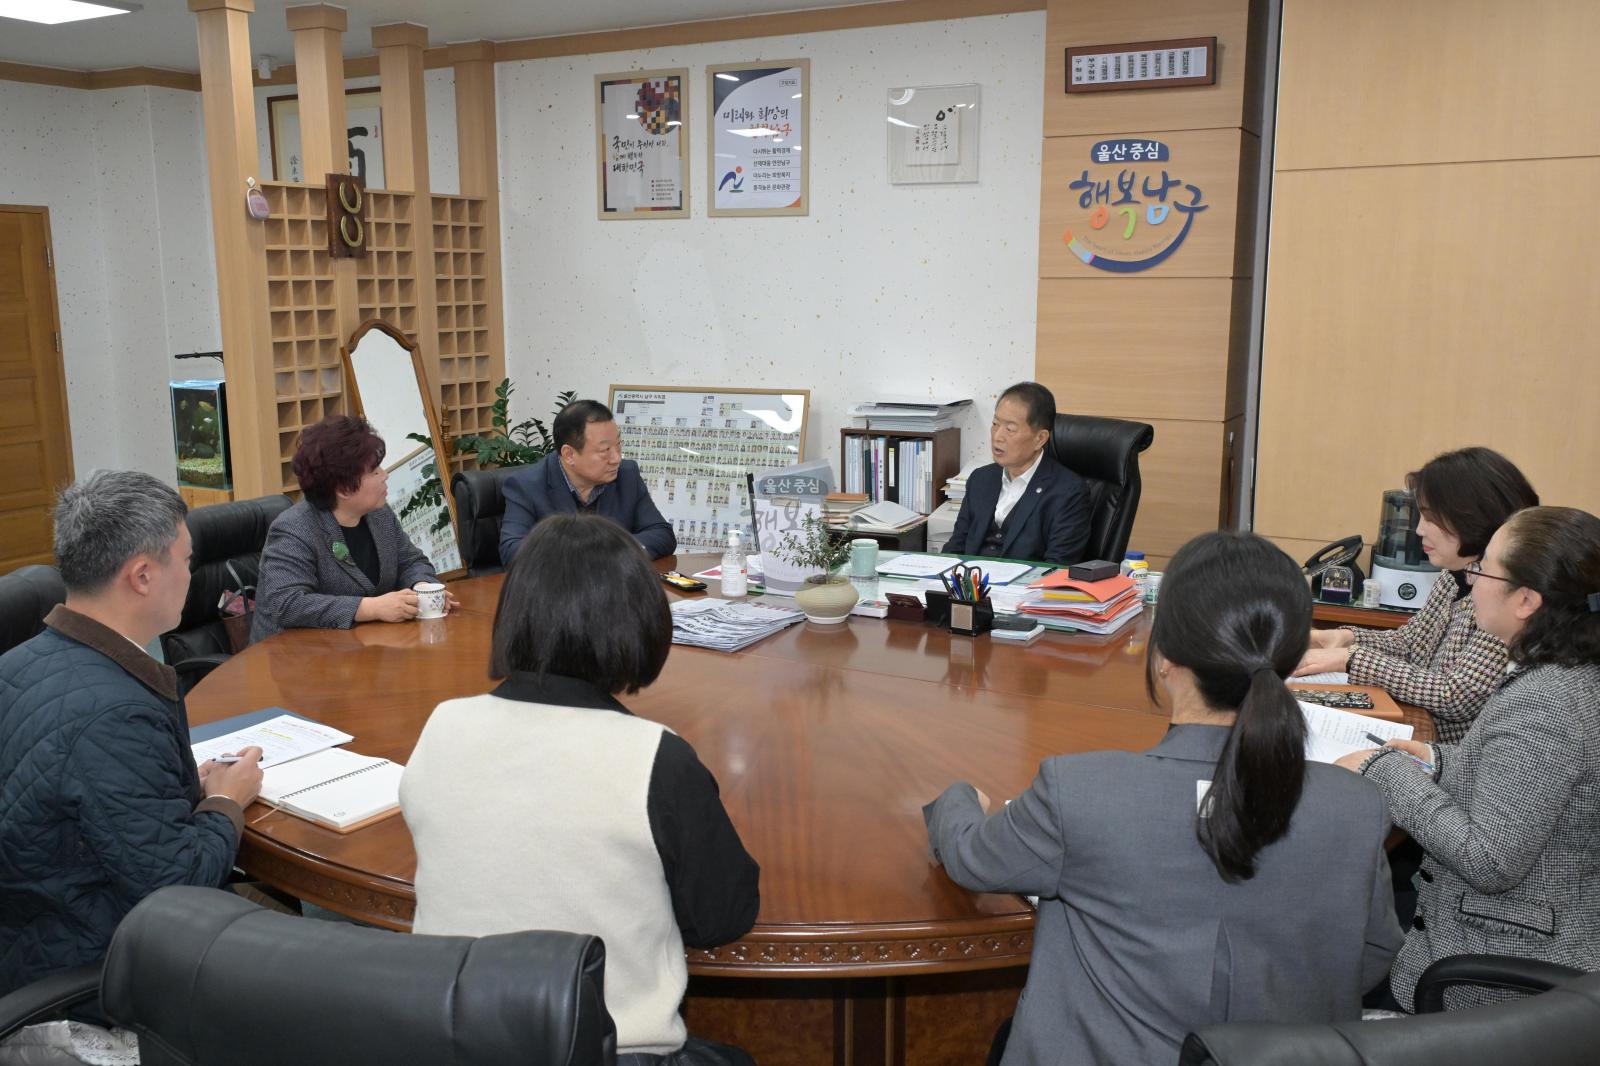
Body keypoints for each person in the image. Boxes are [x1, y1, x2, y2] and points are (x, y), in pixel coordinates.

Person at [925, 531, 1402, 1065]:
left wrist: (959, 797)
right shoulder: (1357, 806)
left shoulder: (1081, 793)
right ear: (1290, 662)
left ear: (1164, 658)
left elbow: (969, 857)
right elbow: (1372, 955)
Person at [402, 513, 759, 1065]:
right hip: (602, 1049)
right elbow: (723, 917)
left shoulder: (441, 724)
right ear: (638, 623)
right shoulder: (653, 757)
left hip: (449, 1040)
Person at [0, 471, 263, 1057]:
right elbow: (179, 889)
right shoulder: (113, 714)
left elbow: (68, 796)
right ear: (142, 575)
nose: (192, 578)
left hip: (34, 930)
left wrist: (171, 787)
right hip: (92, 974)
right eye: (187, 561)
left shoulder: (18, 662)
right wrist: (225, 802)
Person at [1337, 506, 1600, 1012]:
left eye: (1484, 570)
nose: (1470, 582)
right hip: (1532, 927)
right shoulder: (1573, 672)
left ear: (1526, 600)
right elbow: (1527, 781)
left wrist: (1385, 770)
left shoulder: (1545, 701)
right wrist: (1436, 759)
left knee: (1321, 968)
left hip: (1492, 971)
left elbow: (1489, 861)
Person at [1295, 446, 1539, 743]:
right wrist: (1345, 638)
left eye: (1431, 518)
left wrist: (1351, 659)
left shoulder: (1503, 595)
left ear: (1471, 517)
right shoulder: (1455, 574)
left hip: (1451, 752)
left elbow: (1457, 694)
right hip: (1426, 734)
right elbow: (1412, 643)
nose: (1419, 530)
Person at [252, 414, 453, 643]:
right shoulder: (293, 529)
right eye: (375, 471)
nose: (385, 475)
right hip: (296, 659)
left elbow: (410, 561)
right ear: (344, 489)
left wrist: (422, 589)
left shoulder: (379, 514)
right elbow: (288, 604)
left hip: (362, 651)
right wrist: (370, 608)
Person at [498, 399, 676, 565]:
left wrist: (613, 551)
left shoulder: (626, 475)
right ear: (569, 455)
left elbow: (662, 534)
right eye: (605, 450)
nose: (616, 458)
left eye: (618, 445)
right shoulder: (527, 486)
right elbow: (512, 551)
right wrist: (590, 554)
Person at [943, 382, 1091, 565]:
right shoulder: (980, 479)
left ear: (1040, 439)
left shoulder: (1068, 492)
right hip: (971, 589)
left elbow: (1057, 567)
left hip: (1027, 591)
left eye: (1010, 429)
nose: (997, 436)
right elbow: (956, 547)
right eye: (995, 424)